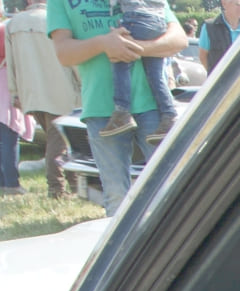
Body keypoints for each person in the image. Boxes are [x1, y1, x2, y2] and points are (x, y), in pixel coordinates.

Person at [47, 0, 186, 214]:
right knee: (116, 196)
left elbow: (178, 40)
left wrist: (136, 48)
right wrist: (104, 43)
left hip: (153, 106)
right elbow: (64, 53)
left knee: (171, 189)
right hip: (102, 107)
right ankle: (123, 247)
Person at [5, 0, 78, 198]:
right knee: (61, 143)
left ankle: (75, 185)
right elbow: (72, 58)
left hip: (30, 93)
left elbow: (10, 64)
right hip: (61, 89)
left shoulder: (13, 24)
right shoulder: (57, 18)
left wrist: (15, 93)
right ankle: (56, 189)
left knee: (59, 142)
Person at [101, 0, 177, 141]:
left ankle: (122, 112)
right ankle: (169, 114)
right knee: (155, 74)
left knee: (121, 60)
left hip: (135, 17)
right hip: (159, 21)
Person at [0, 18, 32, 195]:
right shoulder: (6, 30)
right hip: (5, 88)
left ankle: (3, 181)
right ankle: (11, 183)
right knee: (9, 139)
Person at [198, 0, 240, 76]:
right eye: (237, 4)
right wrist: (215, 75)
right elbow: (203, 56)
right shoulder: (209, 27)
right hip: (220, 82)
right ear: (224, 4)